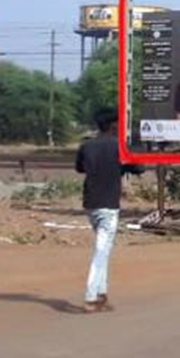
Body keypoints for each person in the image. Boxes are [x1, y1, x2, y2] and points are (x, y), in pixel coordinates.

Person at [75, 107, 144, 313]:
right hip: (109, 206)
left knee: (103, 250)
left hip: (90, 204)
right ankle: (90, 297)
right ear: (113, 125)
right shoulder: (119, 147)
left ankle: (101, 294)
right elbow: (139, 168)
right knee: (100, 252)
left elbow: (80, 168)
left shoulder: (86, 146)